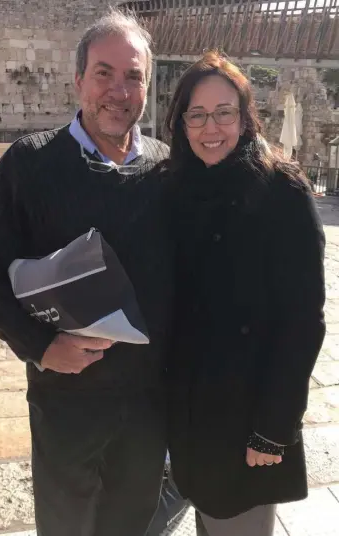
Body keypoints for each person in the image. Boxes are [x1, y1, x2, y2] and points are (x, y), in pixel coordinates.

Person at [0, 11, 174, 536]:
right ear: (78, 80)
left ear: (148, 85)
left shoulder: (168, 168)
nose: (119, 91)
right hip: (67, 404)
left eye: (134, 76)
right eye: (104, 73)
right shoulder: (30, 163)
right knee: (65, 525)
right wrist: (39, 345)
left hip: (148, 407)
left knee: (132, 522)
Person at [165, 51, 326, 536]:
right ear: (182, 122)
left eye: (224, 112)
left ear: (246, 115)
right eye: (197, 114)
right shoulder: (175, 189)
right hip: (192, 418)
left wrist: (274, 429)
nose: (210, 127)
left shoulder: (282, 191)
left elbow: (303, 321)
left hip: (249, 421)